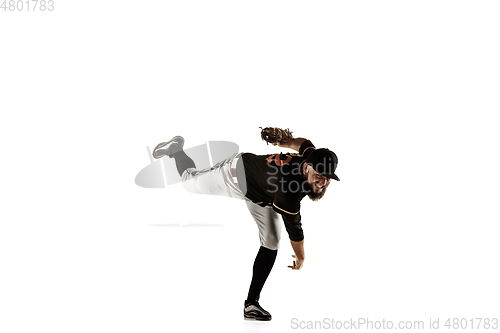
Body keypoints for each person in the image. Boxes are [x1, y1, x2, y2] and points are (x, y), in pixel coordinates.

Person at [152, 130, 340, 321]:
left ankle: (251, 304)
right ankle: (175, 150)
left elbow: (304, 144)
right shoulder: (287, 189)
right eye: (320, 174)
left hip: (262, 195)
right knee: (188, 182)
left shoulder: (312, 157)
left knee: (271, 241)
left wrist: (287, 140)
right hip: (234, 175)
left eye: (328, 177)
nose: (323, 181)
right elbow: (295, 230)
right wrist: (300, 257)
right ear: (307, 167)